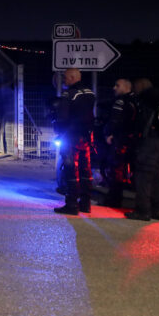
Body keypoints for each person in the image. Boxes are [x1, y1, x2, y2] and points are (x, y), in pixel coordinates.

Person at [124, 78, 159, 221]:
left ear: (141, 85)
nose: (134, 89)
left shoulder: (148, 98)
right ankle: (158, 210)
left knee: (143, 175)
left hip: (151, 140)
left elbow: (157, 121)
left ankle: (142, 211)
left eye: (135, 86)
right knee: (157, 175)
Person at [53, 68, 96, 215]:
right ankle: (85, 203)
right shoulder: (90, 93)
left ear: (72, 77)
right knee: (86, 169)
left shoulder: (69, 94)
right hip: (86, 137)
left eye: (65, 77)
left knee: (70, 169)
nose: (64, 80)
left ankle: (71, 204)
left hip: (70, 137)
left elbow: (63, 118)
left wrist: (58, 130)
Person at [101, 78, 137, 208]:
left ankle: (113, 200)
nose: (114, 88)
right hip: (133, 140)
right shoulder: (135, 101)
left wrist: (108, 133)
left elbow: (114, 120)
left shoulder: (121, 101)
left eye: (117, 85)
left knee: (115, 169)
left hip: (120, 140)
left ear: (127, 87)